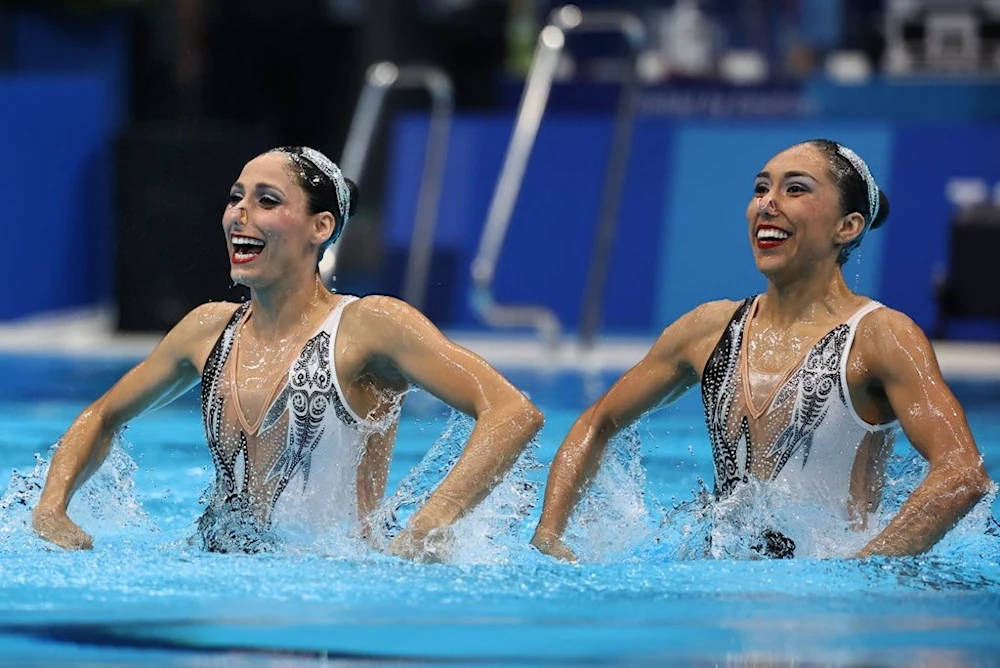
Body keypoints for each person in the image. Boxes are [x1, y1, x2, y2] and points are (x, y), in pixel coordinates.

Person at [32, 146, 543, 559]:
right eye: (236, 198)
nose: (239, 214)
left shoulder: (368, 325)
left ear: (320, 228)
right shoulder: (207, 330)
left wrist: (428, 527)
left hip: (337, 585)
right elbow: (102, 415)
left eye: (267, 200)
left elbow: (513, 412)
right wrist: (51, 509)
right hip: (219, 571)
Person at [531, 139, 992, 561]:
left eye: (795, 190)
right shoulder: (708, 329)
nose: (767, 204)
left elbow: (962, 472)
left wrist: (862, 568)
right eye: (760, 189)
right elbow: (597, 421)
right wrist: (549, 534)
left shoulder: (881, 336)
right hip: (720, 592)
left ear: (847, 226)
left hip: (826, 609)